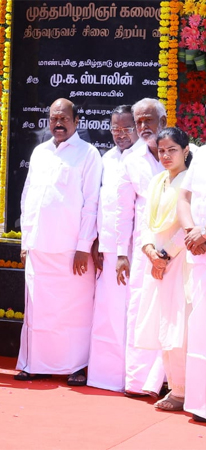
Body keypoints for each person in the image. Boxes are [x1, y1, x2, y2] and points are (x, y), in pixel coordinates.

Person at [16, 98, 102, 386]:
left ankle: (76, 366)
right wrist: (26, 241)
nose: (58, 123)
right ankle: (35, 364)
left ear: (76, 121)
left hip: (71, 250)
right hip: (39, 246)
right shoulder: (40, 152)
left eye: (64, 118)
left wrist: (83, 247)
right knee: (38, 310)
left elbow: (91, 203)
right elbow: (28, 198)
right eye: (54, 118)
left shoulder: (88, 154)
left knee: (74, 311)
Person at [133, 127, 191, 412]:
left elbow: (190, 223)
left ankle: (184, 392)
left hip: (181, 262)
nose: (166, 155)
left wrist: (166, 255)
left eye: (172, 150)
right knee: (164, 325)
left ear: (186, 151)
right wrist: (150, 252)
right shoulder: (157, 181)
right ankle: (176, 388)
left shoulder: (191, 182)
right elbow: (146, 222)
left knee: (181, 327)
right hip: (156, 262)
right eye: (162, 151)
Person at [87, 105, 143, 392]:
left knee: (128, 314)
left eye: (126, 128)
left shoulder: (144, 158)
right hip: (107, 249)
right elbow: (102, 204)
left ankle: (130, 378)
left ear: (137, 128)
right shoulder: (107, 158)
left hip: (132, 251)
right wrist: (97, 240)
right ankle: (104, 376)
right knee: (106, 313)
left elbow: (132, 210)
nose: (120, 134)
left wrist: (123, 251)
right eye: (115, 129)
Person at [115, 98, 167, 397]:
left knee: (173, 309)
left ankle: (172, 380)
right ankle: (139, 381)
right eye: (139, 122)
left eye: (149, 120)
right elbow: (123, 210)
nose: (143, 126)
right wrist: (122, 252)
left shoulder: (186, 152)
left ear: (163, 121)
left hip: (178, 244)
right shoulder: (131, 160)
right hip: (142, 246)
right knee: (140, 309)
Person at [178, 141, 206, 423]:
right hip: (199, 254)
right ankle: (201, 403)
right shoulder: (202, 154)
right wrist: (191, 231)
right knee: (200, 329)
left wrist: (204, 232)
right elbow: (184, 197)